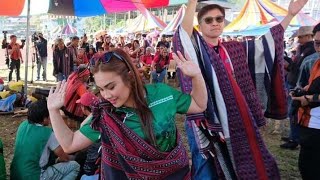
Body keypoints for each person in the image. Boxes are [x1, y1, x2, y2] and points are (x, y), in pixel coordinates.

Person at [174, 0, 308, 179]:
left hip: (236, 114)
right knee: (205, 162)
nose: (215, 22)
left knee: (241, 157)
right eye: (208, 20)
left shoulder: (235, 49)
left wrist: (289, 15)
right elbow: (183, 34)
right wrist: (192, 2)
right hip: (205, 116)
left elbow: (268, 43)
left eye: (219, 18)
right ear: (200, 24)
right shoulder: (196, 51)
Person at [47, 48, 208, 179]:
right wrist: (53, 110)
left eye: (111, 87)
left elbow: (199, 104)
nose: (106, 95)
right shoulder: (106, 115)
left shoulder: (162, 94)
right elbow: (69, 144)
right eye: (101, 89)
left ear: (130, 77)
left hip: (176, 175)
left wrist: (196, 76)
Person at [10, 100, 80, 180]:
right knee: (74, 166)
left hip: (15, 174)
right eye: (49, 115)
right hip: (35, 175)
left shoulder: (23, 125)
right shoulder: (48, 133)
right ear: (44, 119)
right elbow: (64, 158)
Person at [290, 27, 320, 177]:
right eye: (318, 43)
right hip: (310, 124)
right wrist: (303, 91)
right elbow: (312, 85)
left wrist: (308, 99)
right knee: (307, 167)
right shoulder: (316, 63)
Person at [281, 25, 316, 149]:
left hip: (298, 85)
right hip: (293, 82)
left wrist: (289, 64)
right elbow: (296, 66)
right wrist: (288, 63)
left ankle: (294, 139)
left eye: (300, 37)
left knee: (294, 112)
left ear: (308, 36)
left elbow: (303, 69)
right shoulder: (302, 49)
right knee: (292, 112)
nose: (298, 39)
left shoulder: (311, 50)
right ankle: (293, 135)